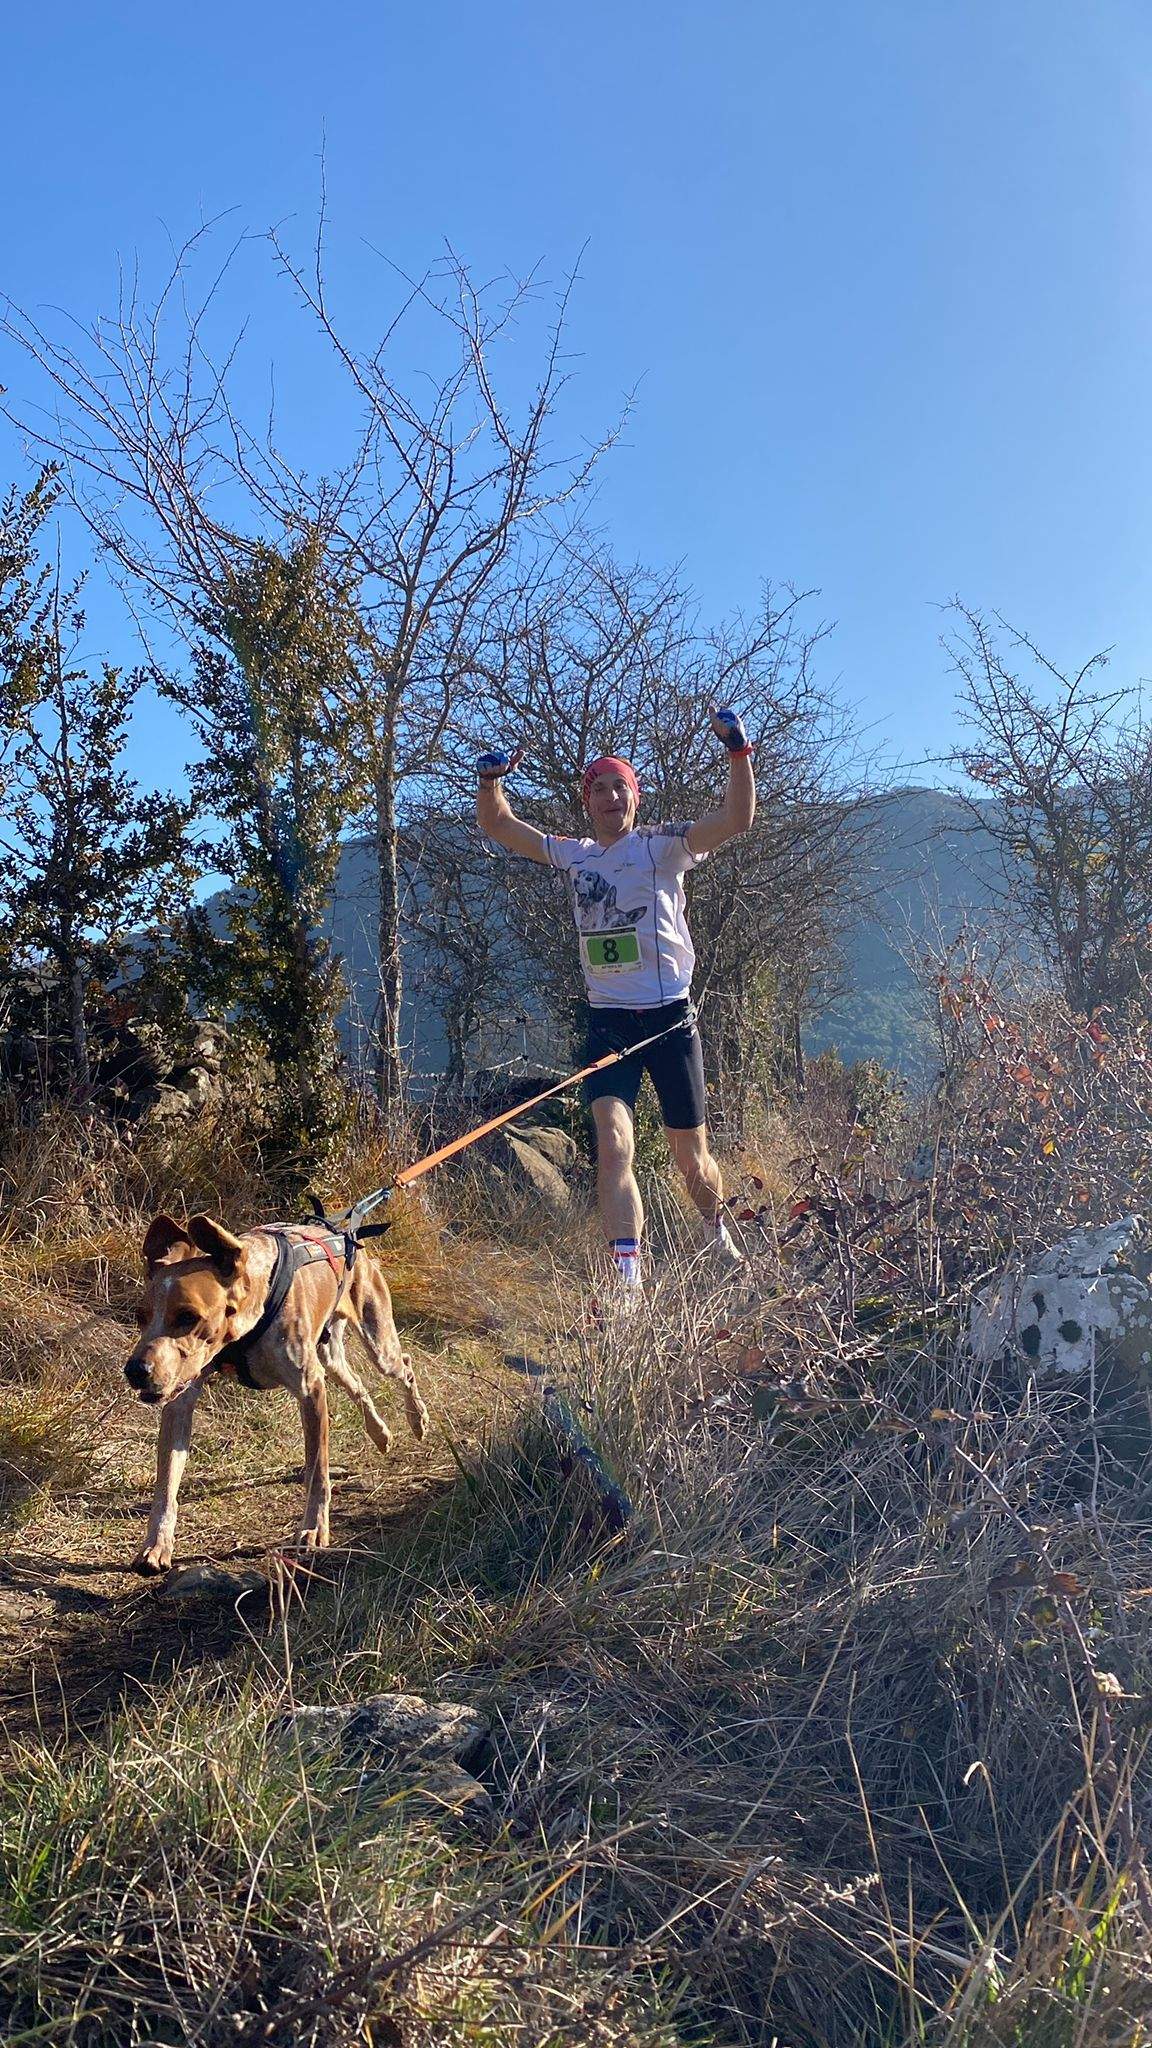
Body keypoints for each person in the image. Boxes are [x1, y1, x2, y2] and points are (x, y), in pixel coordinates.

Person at [476, 708, 756, 1295]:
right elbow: (501, 826)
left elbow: (736, 818)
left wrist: (736, 753)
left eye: (619, 787)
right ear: (587, 802)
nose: (609, 796)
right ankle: (628, 1282)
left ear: (636, 798)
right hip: (607, 1023)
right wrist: (491, 779)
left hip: (669, 1020)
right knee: (613, 1144)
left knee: (692, 1159)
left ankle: (718, 1235)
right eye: (598, 788)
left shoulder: (662, 848)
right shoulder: (574, 854)